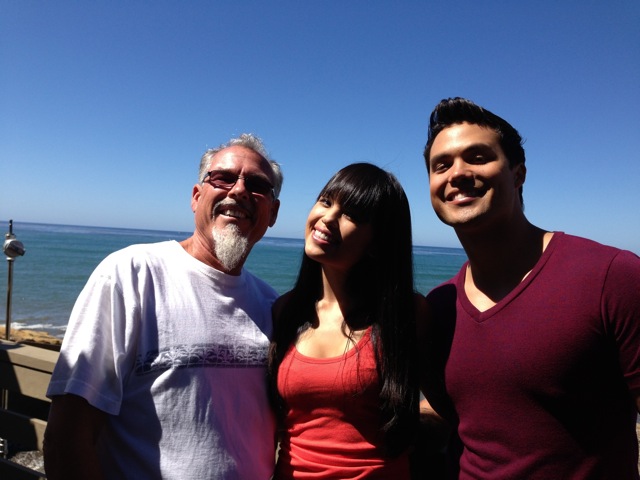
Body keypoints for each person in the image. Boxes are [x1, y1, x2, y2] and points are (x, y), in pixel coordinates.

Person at [421, 97, 640, 479]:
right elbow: (466, 416)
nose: (457, 173)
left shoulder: (610, 276)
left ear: (518, 173)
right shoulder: (440, 306)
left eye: (477, 157)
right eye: (442, 165)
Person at [43, 133, 283, 479]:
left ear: (272, 213)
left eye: (258, 184)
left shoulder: (272, 305)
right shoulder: (131, 274)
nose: (240, 190)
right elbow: (67, 435)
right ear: (196, 196)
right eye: (223, 178)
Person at [268, 163, 425, 479]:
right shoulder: (285, 310)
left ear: (378, 240)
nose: (328, 218)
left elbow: (444, 405)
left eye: (351, 214)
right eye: (326, 201)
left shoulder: (407, 313)